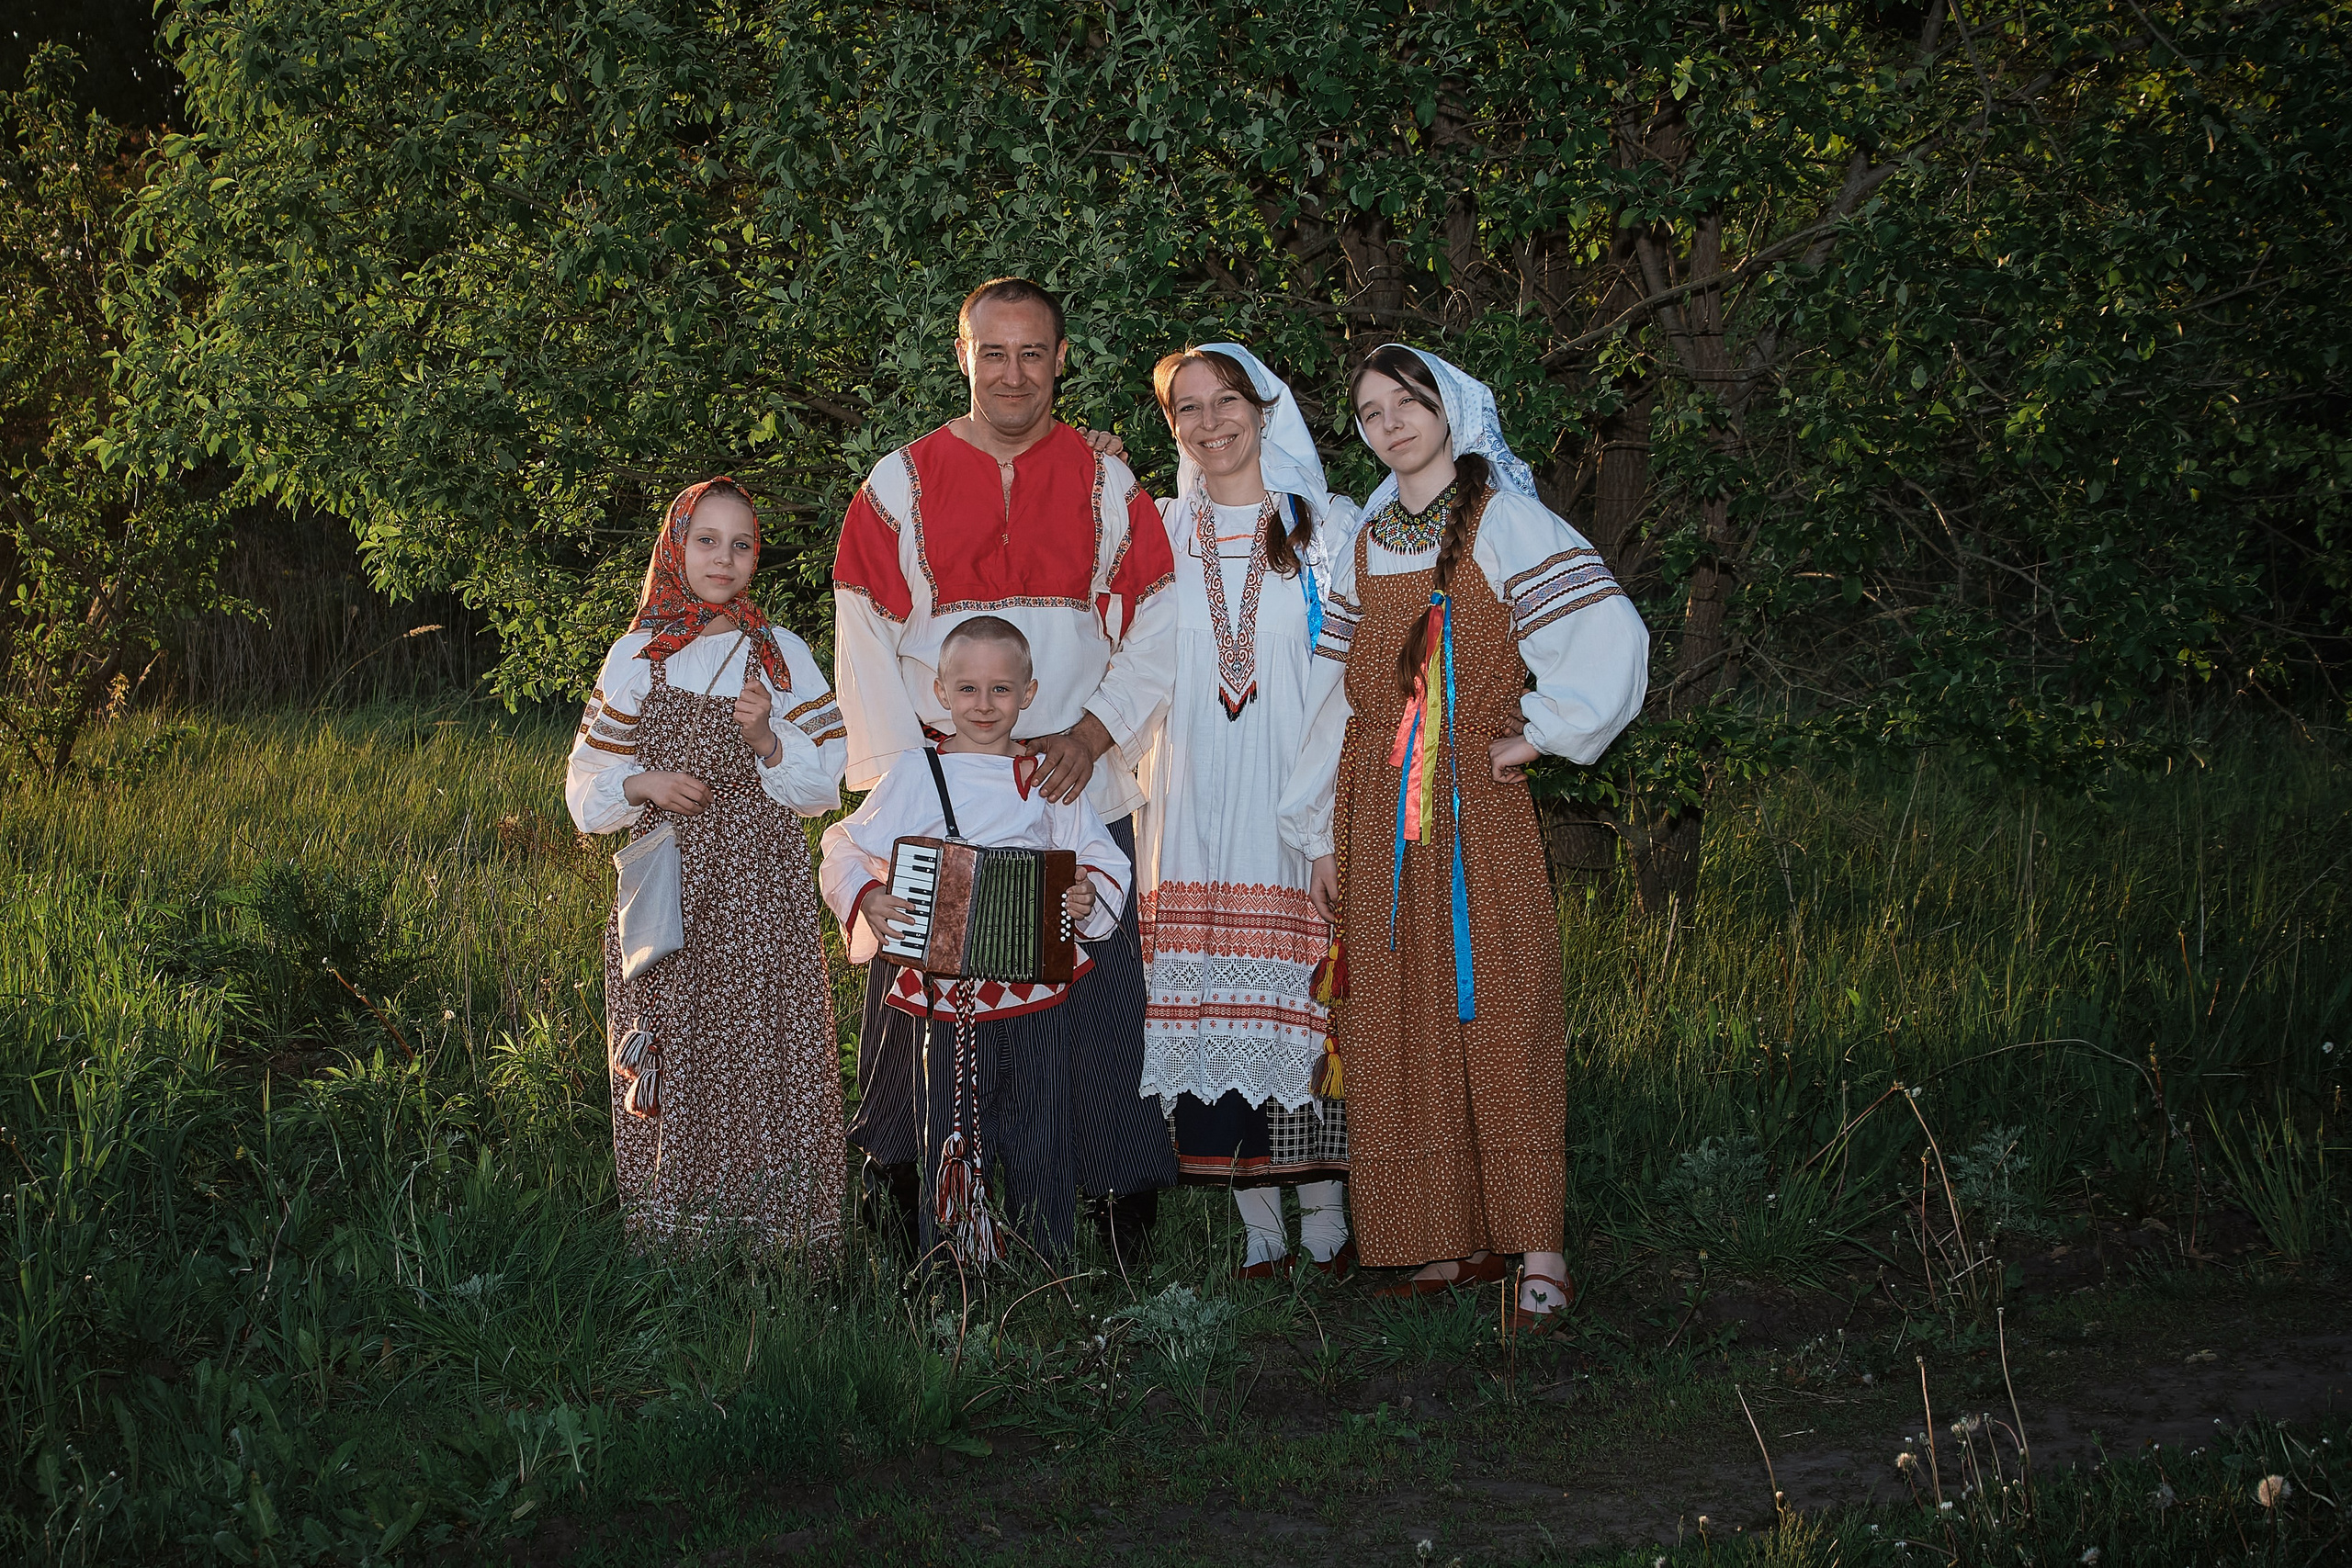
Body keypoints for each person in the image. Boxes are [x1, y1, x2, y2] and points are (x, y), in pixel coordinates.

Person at [1279, 345, 1648, 1325]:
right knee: (1396, 1020)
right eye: (1369, 411)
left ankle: (1539, 1247)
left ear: (1450, 411)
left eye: (1408, 402)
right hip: (1369, 809)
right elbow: (1332, 700)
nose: (1390, 423)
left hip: (1471, 812)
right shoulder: (1362, 541)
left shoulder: (1507, 522)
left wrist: (1536, 738)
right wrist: (1314, 828)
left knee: (1501, 1011)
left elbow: (1608, 634)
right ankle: (1440, 1235)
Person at [831, 276, 1179, 1267]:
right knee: (920, 1002)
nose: (1012, 372)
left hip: (1076, 785)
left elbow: (1159, 618)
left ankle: (1111, 1208)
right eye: (993, 351)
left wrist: (1096, 730)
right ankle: (904, 1196)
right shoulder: (898, 484)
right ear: (962, 355)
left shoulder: (1111, 486)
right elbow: (862, 629)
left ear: (1061, 358)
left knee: (1101, 997)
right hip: (940, 794)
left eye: (1033, 352)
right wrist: (911, 777)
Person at [565, 477, 850, 1255]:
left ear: (757, 554)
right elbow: (583, 788)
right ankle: (679, 1242)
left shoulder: (779, 655)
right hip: (670, 889)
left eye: (742, 543)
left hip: (762, 884)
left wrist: (766, 740)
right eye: (707, 540)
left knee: (765, 1040)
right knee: (680, 1046)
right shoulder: (639, 656)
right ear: (676, 545)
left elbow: (826, 783)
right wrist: (644, 783)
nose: (724, 558)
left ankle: (783, 1235)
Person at [1131, 344, 1357, 1279]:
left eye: (1227, 401)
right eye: (1188, 408)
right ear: (1173, 428)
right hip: (1185, 805)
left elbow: (1349, 685)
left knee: (1301, 1009)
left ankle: (1329, 1218)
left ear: (1266, 410)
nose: (1211, 421)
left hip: (1288, 800)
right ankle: (1262, 1231)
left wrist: (1327, 820)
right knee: (1209, 1012)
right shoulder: (1156, 529)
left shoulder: (1326, 530)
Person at [818, 617, 1129, 1263]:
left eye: (1000, 690)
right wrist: (868, 897)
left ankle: (1047, 1260)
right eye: (967, 689)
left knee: (1040, 1124)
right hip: (942, 993)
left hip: (1035, 988)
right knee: (950, 1126)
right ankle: (953, 1261)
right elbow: (840, 843)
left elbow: (1104, 861)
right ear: (939, 691)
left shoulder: (1046, 778)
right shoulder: (914, 773)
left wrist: (1086, 895)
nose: (984, 706)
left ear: (1029, 692)